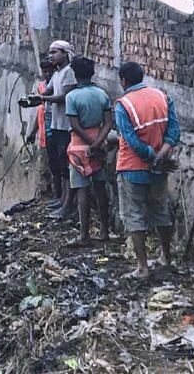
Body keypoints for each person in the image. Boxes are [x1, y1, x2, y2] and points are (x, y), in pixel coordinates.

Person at [113, 61, 180, 279]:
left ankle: (142, 267)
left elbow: (131, 140)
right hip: (160, 167)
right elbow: (174, 131)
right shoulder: (162, 96)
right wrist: (161, 155)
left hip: (132, 167)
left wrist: (150, 157)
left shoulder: (123, 104)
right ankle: (166, 257)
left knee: (133, 215)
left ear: (123, 81)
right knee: (160, 210)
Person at [64, 57, 113, 246]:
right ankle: (104, 230)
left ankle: (84, 234)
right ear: (92, 73)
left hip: (78, 147)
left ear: (75, 75)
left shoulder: (72, 97)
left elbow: (75, 126)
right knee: (100, 187)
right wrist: (98, 142)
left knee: (82, 190)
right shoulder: (102, 94)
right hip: (99, 145)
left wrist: (89, 143)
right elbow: (108, 122)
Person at [33, 40, 78, 218]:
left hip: (67, 125)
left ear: (65, 53)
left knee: (67, 166)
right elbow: (48, 91)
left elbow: (65, 96)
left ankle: (68, 204)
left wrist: (45, 99)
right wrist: (36, 97)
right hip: (56, 124)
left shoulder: (69, 73)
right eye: (50, 53)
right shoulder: (57, 74)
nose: (51, 56)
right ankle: (61, 199)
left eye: (54, 52)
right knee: (59, 163)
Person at [25, 58, 56, 199]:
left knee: (53, 169)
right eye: (44, 72)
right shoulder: (42, 87)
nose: (47, 74)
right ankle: (43, 197)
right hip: (43, 137)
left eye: (49, 71)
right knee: (43, 170)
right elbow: (40, 112)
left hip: (54, 136)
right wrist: (32, 132)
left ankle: (52, 197)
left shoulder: (58, 89)